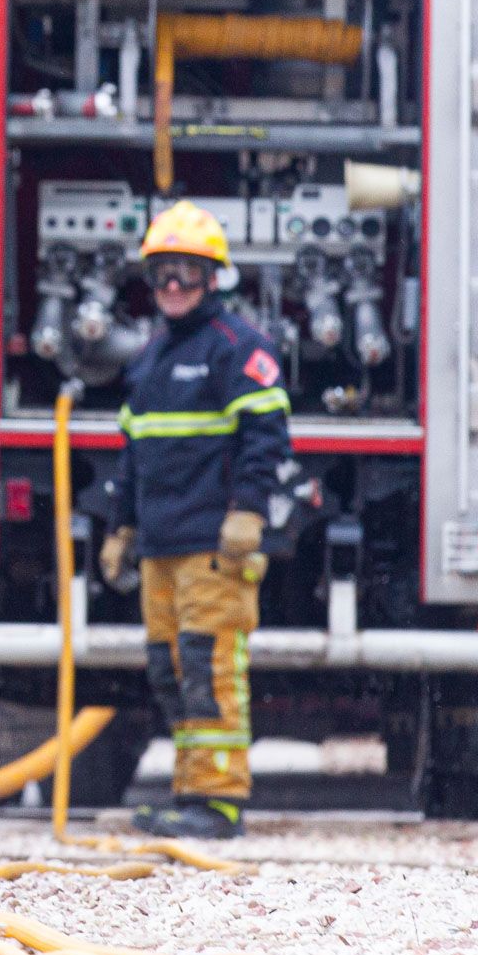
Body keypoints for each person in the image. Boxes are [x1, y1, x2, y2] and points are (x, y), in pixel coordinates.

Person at [98, 202, 292, 839]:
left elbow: (266, 438)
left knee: (209, 670)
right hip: (159, 544)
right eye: (162, 274)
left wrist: (249, 513)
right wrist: (121, 528)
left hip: (213, 545)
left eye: (186, 272)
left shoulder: (238, 349)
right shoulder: (149, 361)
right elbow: (133, 455)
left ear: (215, 278)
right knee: (171, 672)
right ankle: (189, 791)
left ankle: (218, 799)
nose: (173, 286)